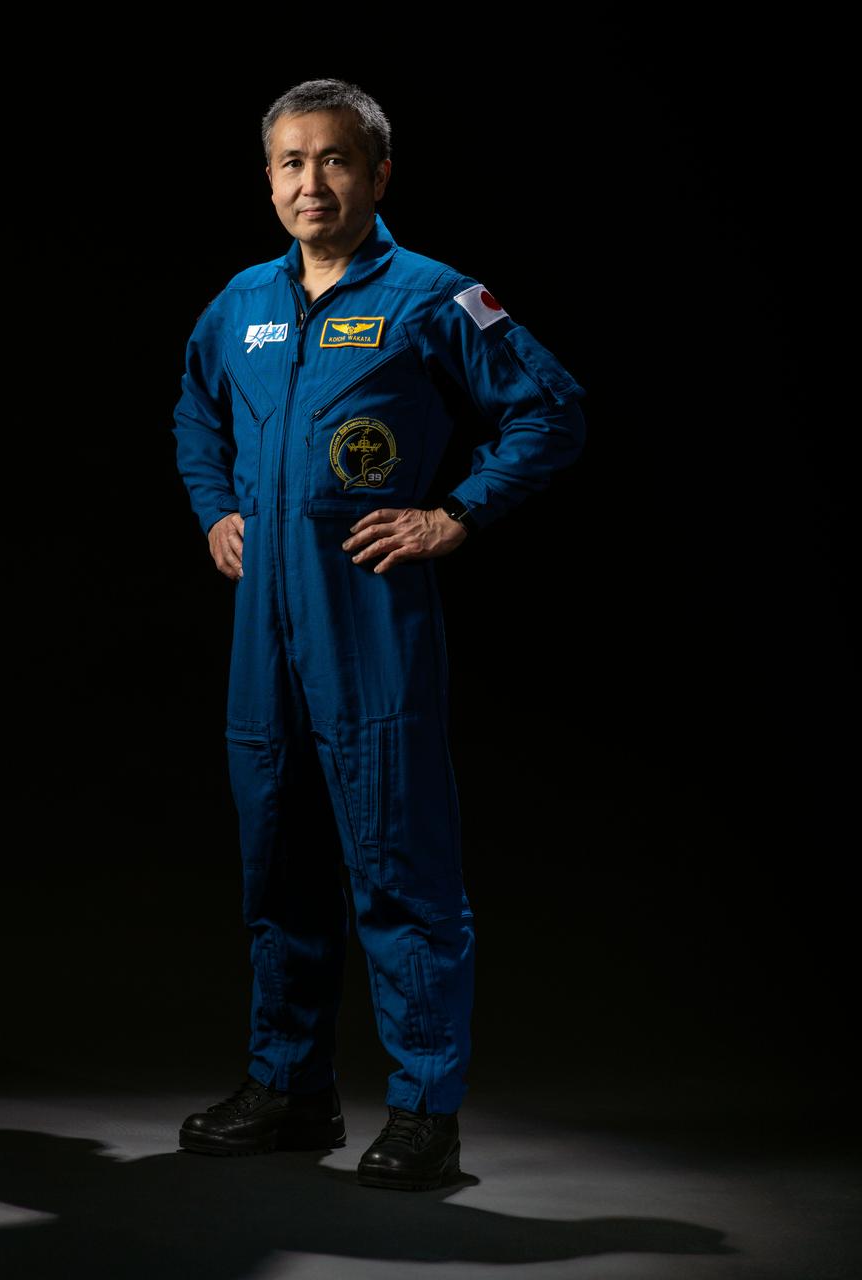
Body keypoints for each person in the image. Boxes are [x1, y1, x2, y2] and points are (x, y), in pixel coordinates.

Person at [171, 78, 586, 1191]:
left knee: (398, 862)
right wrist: (216, 506)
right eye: (291, 162)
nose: (313, 181)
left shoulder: (436, 298)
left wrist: (455, 512)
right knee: (280, 861)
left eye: (337, 159)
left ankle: (422, 1107)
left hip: (368, 621)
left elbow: (550, 408)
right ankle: (290, 1087)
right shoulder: (241, 302)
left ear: (378, 173)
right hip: (264, 633)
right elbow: (193, 409)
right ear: (267, 181)